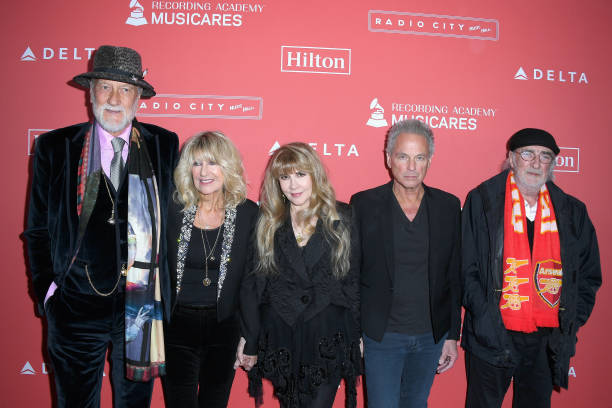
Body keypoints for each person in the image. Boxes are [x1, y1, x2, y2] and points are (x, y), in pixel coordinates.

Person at [24, 45, 179, 407]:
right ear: (90, 92)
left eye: (124, 89)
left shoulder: (163, 145)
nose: (114, 98)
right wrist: (47, 291)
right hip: (74, 306)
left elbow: (176, 219)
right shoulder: (55, 146)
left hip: (139, 307)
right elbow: (36, 229)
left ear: (138, 97)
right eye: (105, 87)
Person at [461, 128, 601, 408]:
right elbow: (465, 268)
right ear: (511, 159)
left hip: (546, 339)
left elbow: (588, 275)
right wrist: (486, 318)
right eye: (527, 154)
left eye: (545, 156)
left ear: (552, 164)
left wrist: (569, 321)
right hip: (492, 332)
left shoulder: (572, 212)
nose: (536, 163)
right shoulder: (483, 202)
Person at [239, 143, 362, 408]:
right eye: (284, 177)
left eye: (300, 175)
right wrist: (250, 339)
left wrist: (357, 336)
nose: (293, 185)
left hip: (327, 334)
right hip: (282, 333)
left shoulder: (343, 216)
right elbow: (255, 284)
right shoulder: (267, 221)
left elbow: (352, 281)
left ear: (315, 175)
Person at [350, 119, 461, 407]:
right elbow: (351, 274)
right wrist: (354, 331)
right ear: (389, 159)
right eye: (403, 156)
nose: (412, 166)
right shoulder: (364, 204)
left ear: (429, 160)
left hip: (430, 336)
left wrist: (451, 335)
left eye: (420, 157)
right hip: (381, 336)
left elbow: (454, 275)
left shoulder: (448, 206)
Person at [163, 131, 258, 407]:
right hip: (176, 325)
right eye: (196, 163)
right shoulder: (171, 208)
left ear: (227, 167)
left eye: (212, 163)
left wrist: (251, 338)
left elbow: (252, 282)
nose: (204, 172)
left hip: (224, 327)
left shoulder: (247, 214)